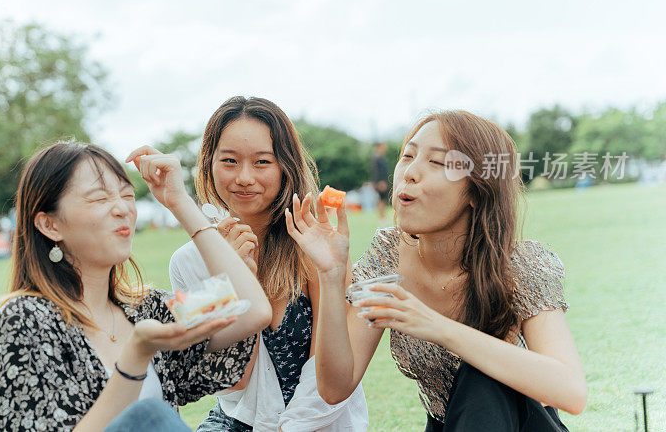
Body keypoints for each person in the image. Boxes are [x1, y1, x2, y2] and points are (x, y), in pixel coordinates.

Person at [286, 110, 586, 431]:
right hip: (447, 425)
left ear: (476, 190)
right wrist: (332, 276)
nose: (410, 173)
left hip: (518, 423)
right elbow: (334, 389)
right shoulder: (388, 256)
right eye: (408, 156)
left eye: (438, 163)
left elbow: (571, 393)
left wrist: (435, 326)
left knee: (482, 378)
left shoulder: (519, 264)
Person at [0, 141, 272, 431]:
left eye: (127, 194)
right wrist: (137, 354)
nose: (122, 208)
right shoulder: (25, 319)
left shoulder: (148, 309)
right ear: (50, 225)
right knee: (150, 417)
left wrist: (179, 202)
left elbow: (253, 312)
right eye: (99, 199)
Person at [170, 96, 367, 431]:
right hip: (236, 421)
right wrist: (233, 277)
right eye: (229, 161)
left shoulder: (315, 246)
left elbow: (330, 381)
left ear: (284, 166)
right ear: (208, 165)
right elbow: (231, 383)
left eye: (262, 162)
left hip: (317, 422)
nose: (244, 178)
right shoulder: (187, 263)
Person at [370, 142, 391, 222]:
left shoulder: (382, 158)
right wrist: (379, 182)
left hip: (383, 181)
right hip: (380, 182)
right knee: (381, 199)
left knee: (383, 199)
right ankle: (381, 217)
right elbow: (376, 172)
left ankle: (383, 216)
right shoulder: (376, 158)